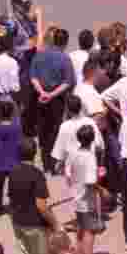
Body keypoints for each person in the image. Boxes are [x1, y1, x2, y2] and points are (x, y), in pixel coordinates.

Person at [30, 26, 76, 173]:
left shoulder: (39, 55)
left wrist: (42, 92)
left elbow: (33, 77)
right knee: (55, 131)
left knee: (43, 131)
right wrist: (52, 94)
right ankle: (53, 164)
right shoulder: (65, 58)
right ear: (65, 42)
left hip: (40, 98)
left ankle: (45, 163)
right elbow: (68, 82)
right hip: (57, 100)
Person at [8, 138, 61, 254]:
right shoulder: (37, 174)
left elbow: (11, 200)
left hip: (18, 223)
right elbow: (41, 206)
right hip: (34, 226)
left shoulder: (13, 173)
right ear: (35, 153)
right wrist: (55, 224)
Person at [68, 124, 103, 254]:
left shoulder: (74, 153)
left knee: (81, 228)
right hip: (87, 201)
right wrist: (102, 191)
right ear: (92, 139)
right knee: (90, 231)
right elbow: (90, 182)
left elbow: (69, 172)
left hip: (76, 197)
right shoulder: (90, 157)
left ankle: (78, 252)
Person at [0, 100, 22, 217]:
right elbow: (20, 143)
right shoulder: (17, 127)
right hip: (14, 161)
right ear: (11, 113)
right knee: (14, 186)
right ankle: (15, 206)